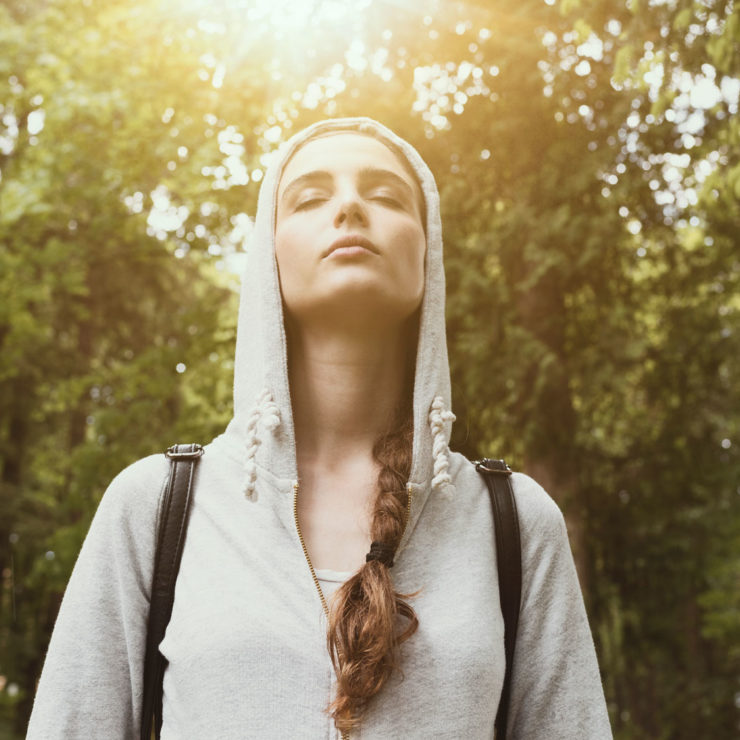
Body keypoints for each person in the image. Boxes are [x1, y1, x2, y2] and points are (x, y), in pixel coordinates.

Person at [27, 117, 613, 738]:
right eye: (310, 198)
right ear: (269, 254)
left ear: (427, 251)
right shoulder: (155, 508)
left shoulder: (514, 523)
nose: (351, 206)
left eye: (387, 196)